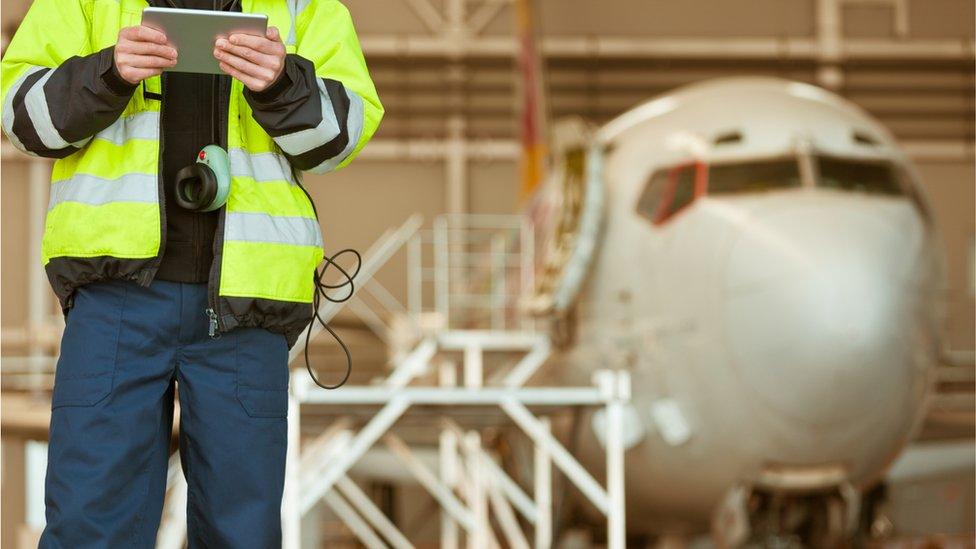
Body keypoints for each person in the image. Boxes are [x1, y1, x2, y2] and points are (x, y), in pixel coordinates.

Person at [0, 0, 382, 545]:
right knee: (90, 526)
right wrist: (106, 72)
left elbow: (343, 136)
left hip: (247, 308)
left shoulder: (305, 6)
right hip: (116, 298)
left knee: (241, 533)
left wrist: (281, 83)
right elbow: (19, 116)